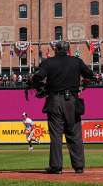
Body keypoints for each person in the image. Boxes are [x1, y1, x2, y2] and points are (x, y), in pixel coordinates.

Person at [29, 40, 95, 173]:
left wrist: (40, 86)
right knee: (74, 134)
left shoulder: (49, 62)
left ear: (56, 49)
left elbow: (38, 77)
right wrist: (83, 84)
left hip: (54, 101)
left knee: (56, 135)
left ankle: (56, 167)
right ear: (68, 49)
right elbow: (90, 75)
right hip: (72, 100)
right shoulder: (76, 61)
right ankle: (79, 167)